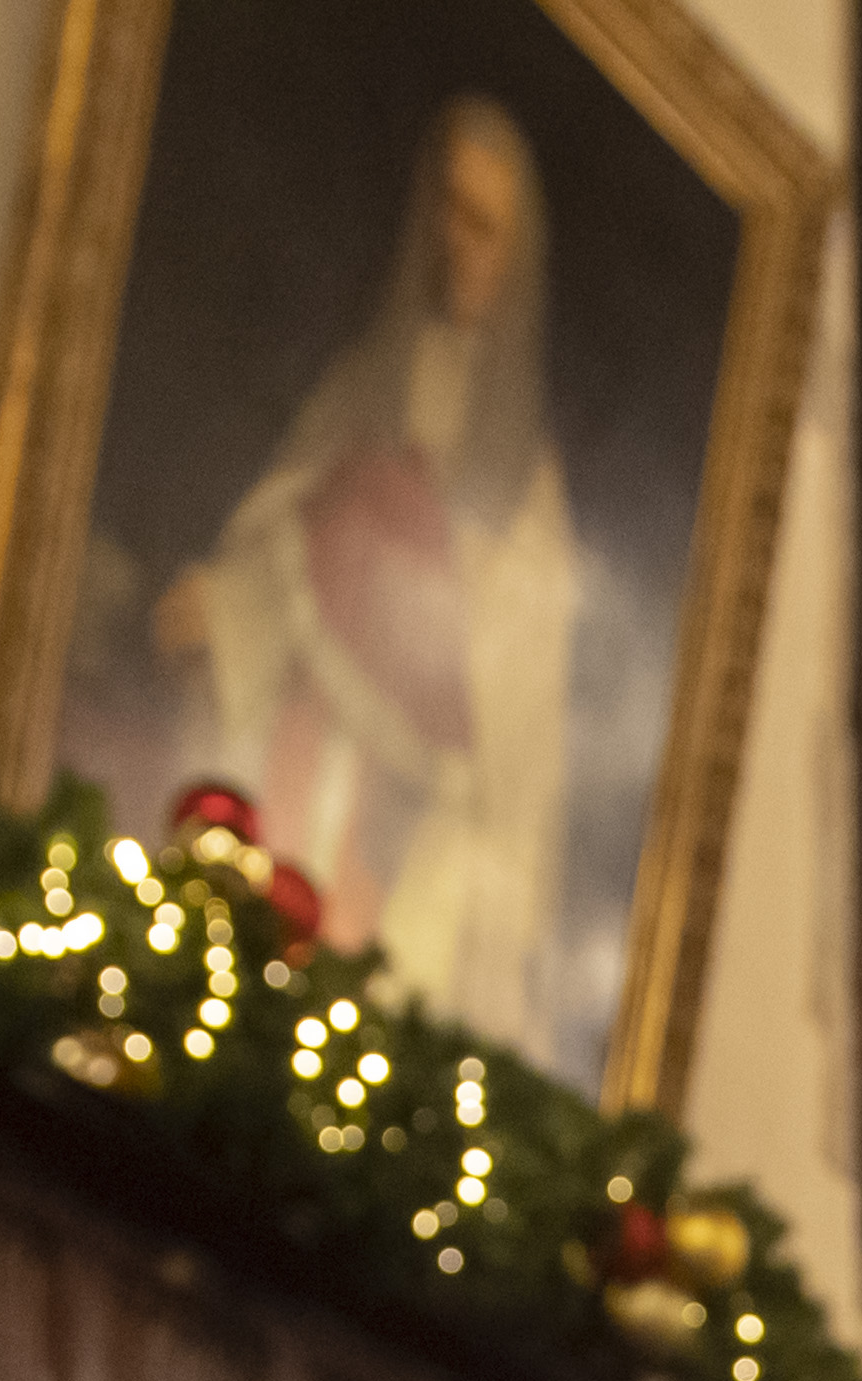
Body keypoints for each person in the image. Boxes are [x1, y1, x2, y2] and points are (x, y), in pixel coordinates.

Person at [152, 96, 573, 1053]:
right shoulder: (371, 382)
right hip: (305, 728)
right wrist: (229, 603)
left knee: (357, 967)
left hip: (407, 794)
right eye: (449, 213)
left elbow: (516, 697)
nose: (457, 244)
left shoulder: (525, 482)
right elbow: (296, 532)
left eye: (484, 227)